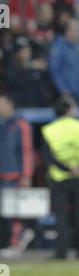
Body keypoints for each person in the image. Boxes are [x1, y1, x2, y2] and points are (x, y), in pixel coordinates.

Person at [0, 95, 35, 258]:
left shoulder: (20, 124)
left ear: (10, 105)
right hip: (0, 175)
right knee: (1, 209)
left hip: (16, 175)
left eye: (1, 104)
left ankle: (16, 243)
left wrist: (26, 175)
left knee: (14, 210)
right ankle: (23, 234)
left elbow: (26, 151)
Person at [41, 97, 79, 260]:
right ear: (69, 109)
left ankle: (61, 252)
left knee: (61, 216)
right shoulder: (77, 126)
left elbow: (48, 157)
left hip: (58, 178)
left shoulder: (48, 130)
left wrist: (66, 168)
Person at [49, 19, 79, 104]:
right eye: (76, 30)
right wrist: (63, 89)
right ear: (68, 31)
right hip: (68, 94)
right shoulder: (58, 46)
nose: (78, 32)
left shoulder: (76, 46)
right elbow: (54, 70)